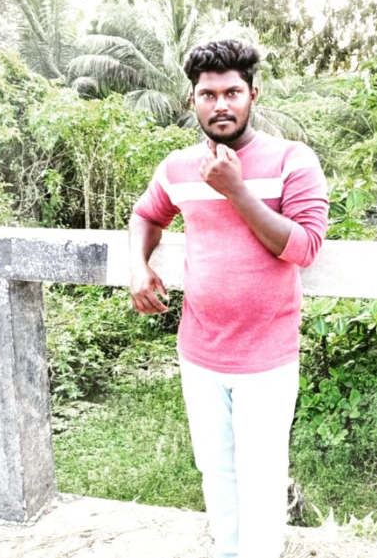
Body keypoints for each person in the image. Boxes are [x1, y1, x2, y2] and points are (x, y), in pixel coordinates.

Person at [129, 40, 329, 558]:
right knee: (216, 471)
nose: (221, 104)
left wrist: (236, 190)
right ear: (192, 100)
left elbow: (305, 247)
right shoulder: (177, 166)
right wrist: (138, 264)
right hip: (199, 352)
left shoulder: (292, 160)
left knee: (261, 478)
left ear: (252, 95)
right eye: (208, 94)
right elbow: (146, 214)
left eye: (232, 92)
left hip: (267, 357)